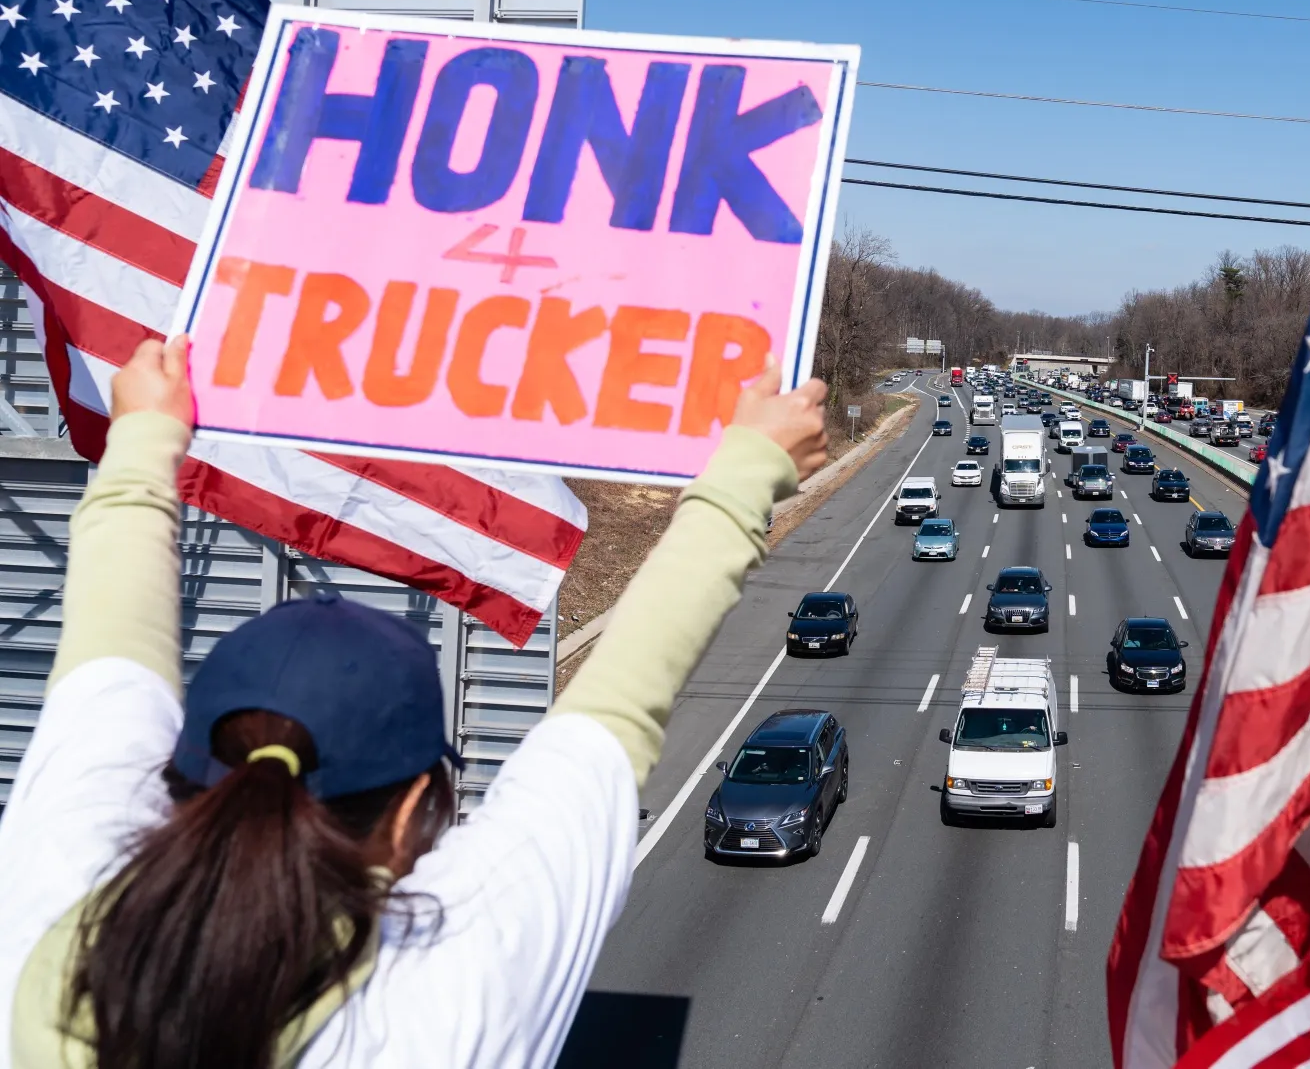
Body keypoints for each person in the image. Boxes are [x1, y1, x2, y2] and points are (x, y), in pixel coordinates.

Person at [0, 335, 827, 1068]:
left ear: (177, 774)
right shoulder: (447, 992)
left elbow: (109, 642)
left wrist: (142, 435)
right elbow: (619, 706)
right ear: (407, 819)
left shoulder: (50, 889)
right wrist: (749, 464)